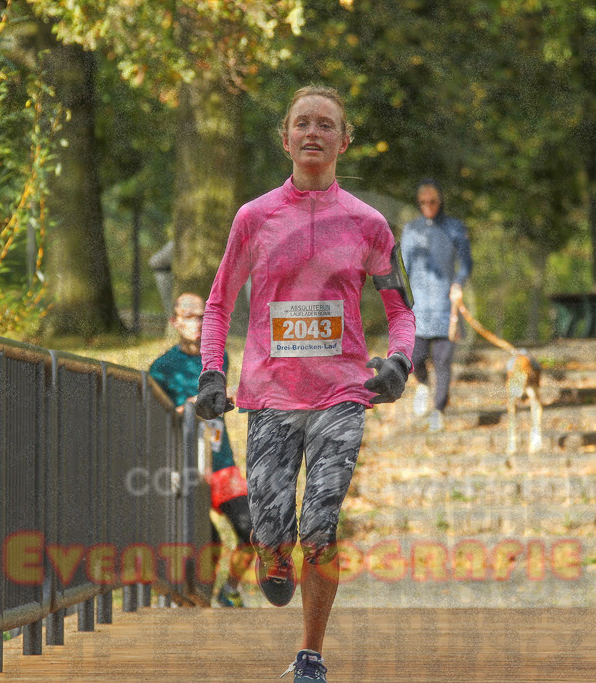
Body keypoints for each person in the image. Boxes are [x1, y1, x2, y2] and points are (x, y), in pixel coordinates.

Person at [196, 85, 415, 682]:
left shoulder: (370, 225)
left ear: (344, 141)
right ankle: (272, 551)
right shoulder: (254, 218)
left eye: (326, 125)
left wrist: (400, 362)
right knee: (272, 527)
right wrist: (212, 370)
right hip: (270, 394)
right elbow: (216, 306)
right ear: (286, 138)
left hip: (342, 393)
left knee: (320, 522)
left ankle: (310, 656)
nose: (313, 133)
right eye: (302, 124)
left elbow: (401, 312)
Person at [148, 292, 254, 608]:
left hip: (221, 461)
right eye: (189, 316)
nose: (197, 323)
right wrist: (187, 410)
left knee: (251, 532)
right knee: (208, 543)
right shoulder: (162, 368)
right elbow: (155, 418)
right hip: (185, 467)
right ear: (174, 321)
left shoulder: (219, 357)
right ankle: (198, 603)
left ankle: (230, 590)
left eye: (203, 317)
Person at [400, 179, 473, 431]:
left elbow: (466, 263)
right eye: (423, 202)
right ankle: (422, 384)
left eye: (432, 201)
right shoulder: (411, 231)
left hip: (445, 307)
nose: (427, 206)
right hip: (418, 307)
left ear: (440, 201)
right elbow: (403, 268)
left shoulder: (455, 228)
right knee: (415, 357)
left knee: (442, 362)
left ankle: (439, 410)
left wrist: (459, 283)